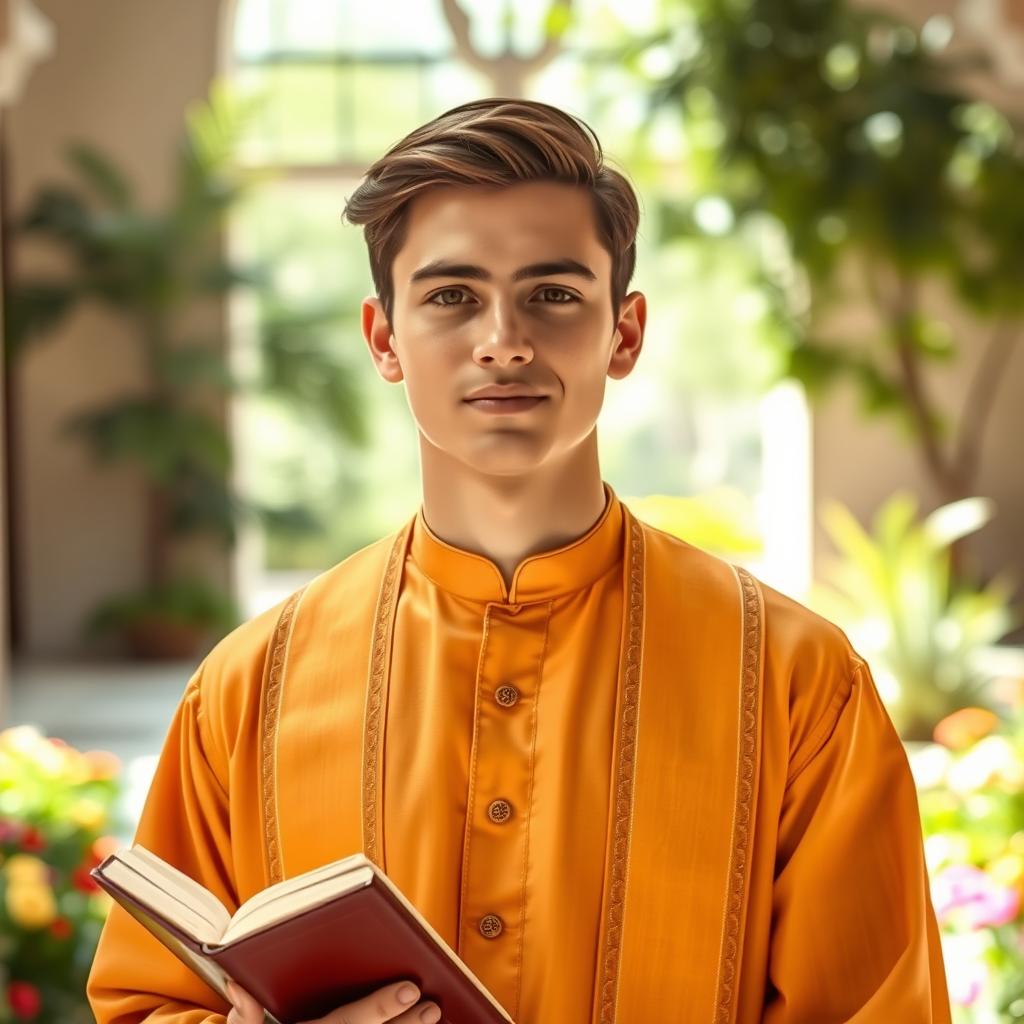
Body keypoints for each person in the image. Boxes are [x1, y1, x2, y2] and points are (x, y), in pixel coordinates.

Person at [86, 97, 951, 1024]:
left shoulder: (797, 684)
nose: (503, 340)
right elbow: (148, 1001)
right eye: (452, 296)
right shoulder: (247, 690)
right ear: (384, 338)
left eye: (553, 293)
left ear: (624, 332)